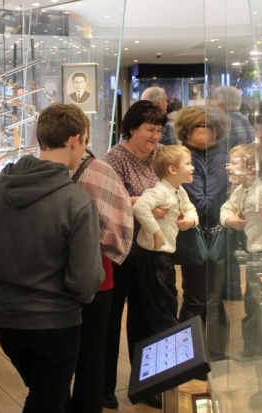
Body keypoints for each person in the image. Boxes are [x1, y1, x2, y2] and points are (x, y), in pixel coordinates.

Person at [0, 103, 104, 413]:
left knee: (48, 395)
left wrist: (8, 278)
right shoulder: (78, 202)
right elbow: (85, 281)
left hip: (6, 320)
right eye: (85, 142)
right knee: (47, 401)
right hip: (57, 322)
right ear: (74, 139)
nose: (84, 150)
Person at [102, 100, 168, 410]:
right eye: (150, 130)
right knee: (110, 319)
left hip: (152, 248)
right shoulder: (115, 158)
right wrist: (146, 202)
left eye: (159, 130)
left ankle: (145, 384)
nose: (155, 136)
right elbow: (112, 200)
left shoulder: (161, 154)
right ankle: (104, 387)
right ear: (131, 128)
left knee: (145, 318)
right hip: (120, 249)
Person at [68, 147, 134, 413]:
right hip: (97, 271)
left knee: (56, 359)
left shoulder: (28, 172)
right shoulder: (101, 169)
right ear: (79, 138)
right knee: (92, 354)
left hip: (51, 277)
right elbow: (119, 220)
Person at [221, 143, 262, 362]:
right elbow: (225, 208)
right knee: (253, 303)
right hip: (256, 256)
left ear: (250, 168)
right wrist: (230, 220)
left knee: (260, 304)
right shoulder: (242, 191)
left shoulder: (261, 191)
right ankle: (256, 349)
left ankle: (260, 350)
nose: (228, 167)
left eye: (234, 163)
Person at [132, 145, 199, 334]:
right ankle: (168, 339)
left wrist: (191, 220)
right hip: (154, 256)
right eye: (188, 164)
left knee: (167, 299)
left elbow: (190, 207)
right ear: (172, 169)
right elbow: (139, 207)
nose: (192, 167)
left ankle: (168, 337)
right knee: (164, 303)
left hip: (164, 255)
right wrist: (157, 232)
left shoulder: (179, 191)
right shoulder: (161, 191)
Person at [174, 106, 230, 321]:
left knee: (206, 298)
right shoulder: (189, 156)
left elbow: (206, 203)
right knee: (200, 298)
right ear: (187, 130)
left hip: (208, 234)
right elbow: (204, 203)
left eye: (213, 127)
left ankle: (203, 342)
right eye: (203, 126)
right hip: (199, 235)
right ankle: (194, 342)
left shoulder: (216, 156)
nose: (210, 131)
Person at [212, 86, 254, 151]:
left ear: (221, 103)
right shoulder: (250, 121)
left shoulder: (219, 123)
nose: (211, 103)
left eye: (214, 99)